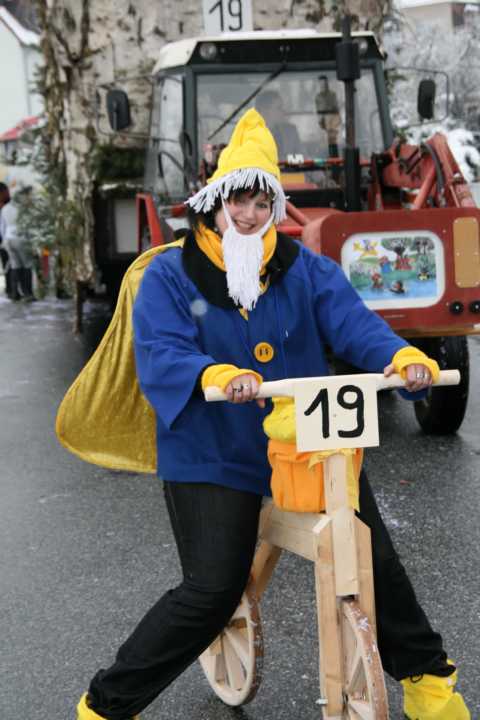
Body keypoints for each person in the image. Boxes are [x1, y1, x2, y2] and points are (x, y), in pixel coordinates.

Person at [58, 109, 469, 720]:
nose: (247, 216)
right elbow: (162, 352)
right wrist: (215, 374)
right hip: (210, 449)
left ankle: (428, 683)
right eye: (236, 203)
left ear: (274, 209)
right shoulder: (169, 274)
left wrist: (404, 358)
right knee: (212, 589)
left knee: (369, 557)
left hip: (303, 441)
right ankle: (105, 705)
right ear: (213, 203)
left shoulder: (304, 269)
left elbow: (356, 327)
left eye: (260, 204)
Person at [0, 183, 36, 302]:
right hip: (21, 238)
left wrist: (4, 240)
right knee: (27, 265)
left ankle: (15, 293)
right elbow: (29, 225)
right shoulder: (23, 207)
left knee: (15, 266)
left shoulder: (5, 208)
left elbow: (2, 226)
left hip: (8, 239)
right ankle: (28, 293)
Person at [255, 90, 302, 158]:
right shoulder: (251, 134)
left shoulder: (291, 131)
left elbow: (302, 157)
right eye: (279, 108)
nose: (283, 111)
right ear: (264, 111)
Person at [0, 182, 12, 298]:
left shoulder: (9, 205)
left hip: (6, 238)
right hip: (3, 236)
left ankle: (10, 288)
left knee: (8, 262)